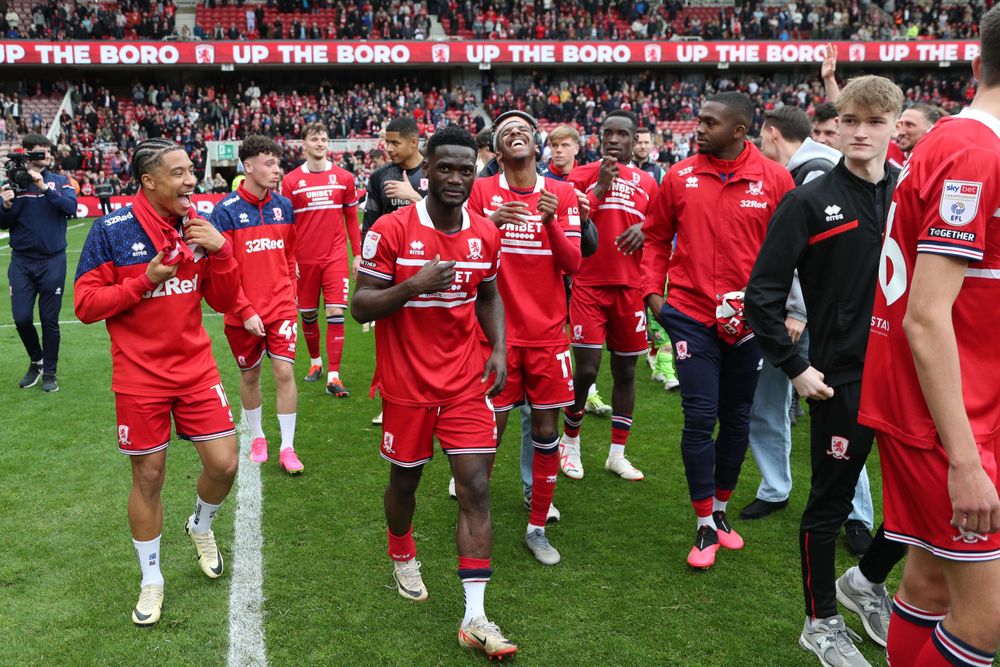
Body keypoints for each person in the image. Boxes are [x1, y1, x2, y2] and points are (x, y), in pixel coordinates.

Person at [746, 76, 909, 666]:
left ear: (896, 128)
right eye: (851, 121)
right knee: (829, 506)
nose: (861, 132)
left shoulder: (909, 192)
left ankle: (865, 582)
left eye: (875, 122)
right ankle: (820, 622)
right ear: (835, 125)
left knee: (926, 498)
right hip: (840, 376)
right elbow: (760, 296)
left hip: (908, 372)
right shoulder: (807, 199)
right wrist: (795, 367)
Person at [858, 10, 1000, 666]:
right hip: (950, 422)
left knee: (927, 583)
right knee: (984, 623)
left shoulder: (952, 142)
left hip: (934, 408)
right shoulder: (975, 150)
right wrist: (967, 460)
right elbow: (925, 315)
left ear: (976, 66)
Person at [350, 126, 516, 660]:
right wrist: (413, 285)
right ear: (428, 172)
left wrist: (498, 347)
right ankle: (402, 551)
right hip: (406, 385)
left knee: (476, 487)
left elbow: (489, 292)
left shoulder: (484, 233)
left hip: (466, 381)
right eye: (445, 167)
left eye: (465, 169)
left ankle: (475, 617)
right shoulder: (391, 229)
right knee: (406, 481)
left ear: (475, 173)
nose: (455, 178)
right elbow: (361, 305)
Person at [73, 138, 241, 626]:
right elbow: (85, 306)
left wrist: (223, 252)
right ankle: (152, 580)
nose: (191, 180)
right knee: (148, 477)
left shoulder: (199, 228)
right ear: (148, 181)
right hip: (139, 377)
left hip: (196, 371)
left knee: (225, 464)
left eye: (191, 170)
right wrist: (144, 280)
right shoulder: (111, 230)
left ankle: (199, 524)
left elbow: (225, 302)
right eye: (179, 172)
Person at [643, 92, 795, 569]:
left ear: (739, 131)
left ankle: (723, 511)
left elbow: (791, 251)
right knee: (698, 415)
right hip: (690, 314)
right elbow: (653, 236)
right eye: (699, 120)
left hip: (749, 322)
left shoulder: (775, 179)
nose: (698, 128)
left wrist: (778, 308)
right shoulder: (680, 175)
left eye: (710, 122)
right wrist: (653, 294)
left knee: (737, 416)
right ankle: (704, 521)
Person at [746, 106, 877, 555]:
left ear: (769, 133)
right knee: (771, 407)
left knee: (840, 424)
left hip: (812, 325)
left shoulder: (818, 175)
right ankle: (775, 488)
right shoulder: (797, 176)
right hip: (782, 319)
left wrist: (798, 312)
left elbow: (817, 262)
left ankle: (855, 515)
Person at [467, 110, 582, 565]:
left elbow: (573, 264)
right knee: (487, 431)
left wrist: (552, 222)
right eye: (505, 133)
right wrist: (489, 223)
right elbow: (465, 256)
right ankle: (479, 516)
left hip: (549, 336)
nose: (515, 134)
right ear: (496, 151)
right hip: (495, 337)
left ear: (537, 146)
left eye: (522, 130)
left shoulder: (563, 192)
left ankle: (537, 526)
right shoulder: (479, 192)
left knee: (546, 429)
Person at [560, 110, 658, 483]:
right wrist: (598, 187)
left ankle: (617, 453)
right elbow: (570, 220)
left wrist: (645, 228)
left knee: (626, 370)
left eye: (623, 134)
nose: (614, 139)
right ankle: (570, 442)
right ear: (598, 139)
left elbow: (663, 227)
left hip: (630, 289)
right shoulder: (581, 175)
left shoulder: (648, 182)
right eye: (608, 133)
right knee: (585, 370)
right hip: (588, 284)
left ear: (635, 141)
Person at [214, 135, 302, 474]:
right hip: (243, 313)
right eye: (269, 163)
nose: (276, 170)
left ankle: (288, 447)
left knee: (284, 371)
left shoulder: (285, 206)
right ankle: (258, 436)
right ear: (248, 167)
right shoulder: (226, 212)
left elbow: (290, 255)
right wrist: (245, 310)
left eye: (277, 163)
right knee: (250, 375)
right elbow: (223, 270)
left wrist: (290, 292)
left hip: (281, 307)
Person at [281, 123, 360, 398]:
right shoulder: (291, 181)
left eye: (324, 139)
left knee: (336, 313)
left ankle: (334, 376)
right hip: (304, 260)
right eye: (314, 139)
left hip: (336, 257)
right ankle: (316, 362)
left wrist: (357, 254)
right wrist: (290, 259)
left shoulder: (344, 178)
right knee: (308, 314)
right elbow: (287, 226)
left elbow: (351, 219)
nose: (320, 143)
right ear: (303, 144)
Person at [363, 115, 429, 426]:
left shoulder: (434, 170)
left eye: (395, 142)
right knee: (392, 342)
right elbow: (371, 225)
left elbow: (455, 216)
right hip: (392, 271)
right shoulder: (379, 177)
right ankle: (391, 398)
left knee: (430, 337)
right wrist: (364, 264)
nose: (389, 148)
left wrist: (416, 199)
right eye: (387, 142)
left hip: (430, 267)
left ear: (414, 142)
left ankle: (432, 397)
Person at [543, 124, 613, 417]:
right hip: (550, 270)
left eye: (564, 145)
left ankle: (589, 393)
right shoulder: (542, 180)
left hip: (582, 270)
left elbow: (589, 228)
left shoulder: (585, 176)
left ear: (576, 148)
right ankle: (550, 392)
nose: (558, 150)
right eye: (554, 145)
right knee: (556, 335)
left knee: (582, 340)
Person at [0, 134, 77, 393]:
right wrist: (6, 204)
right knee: (21, 318)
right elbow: (2, 222)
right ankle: (37, 360)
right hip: (22, 261)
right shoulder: (13, 183)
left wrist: (44, 188)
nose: (47, 155)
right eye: (40, 152)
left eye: (48, 151)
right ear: (28, 153)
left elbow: (71, 208)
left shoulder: (59, 181)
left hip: (52, 261)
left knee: (49, 319)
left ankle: (50, 373)